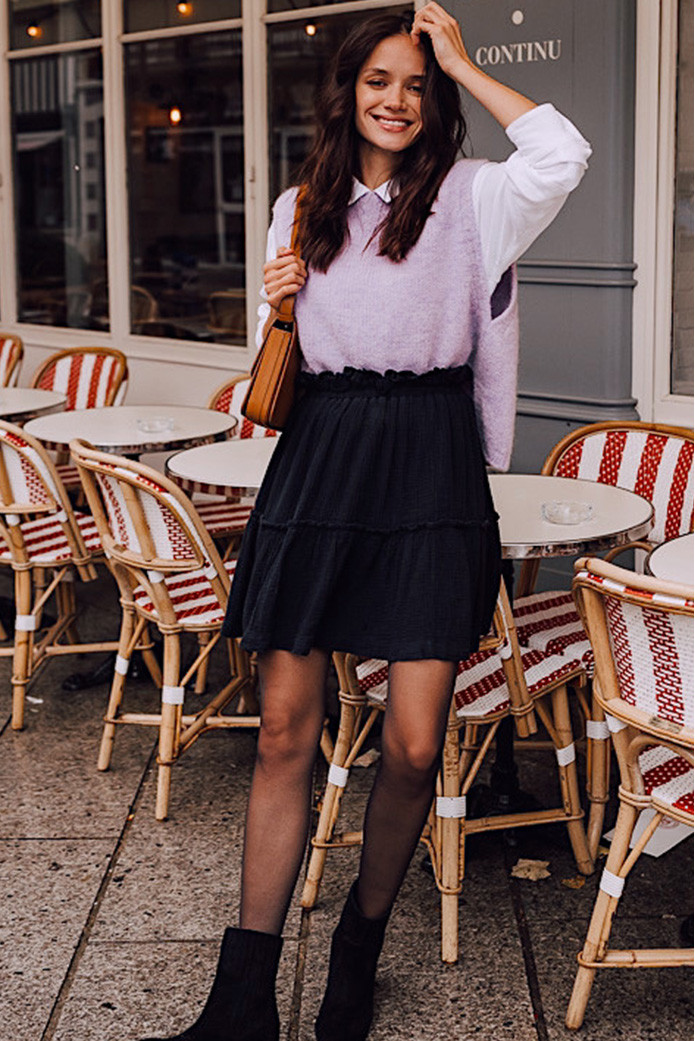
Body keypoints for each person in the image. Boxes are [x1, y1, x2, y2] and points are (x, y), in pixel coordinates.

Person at [141, 6, 591, 1040]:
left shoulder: (477, 199)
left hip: (429, 459)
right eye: (377, 79)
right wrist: (277, 299)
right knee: (283, 732)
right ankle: (241, 997)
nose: (395, 99)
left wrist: (461, 61)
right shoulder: (300, 206)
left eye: (415, 83)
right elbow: (280, 364)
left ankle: (357, 947)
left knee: (416, 742)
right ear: (344, 91)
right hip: (323, 453)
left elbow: (560, 151)